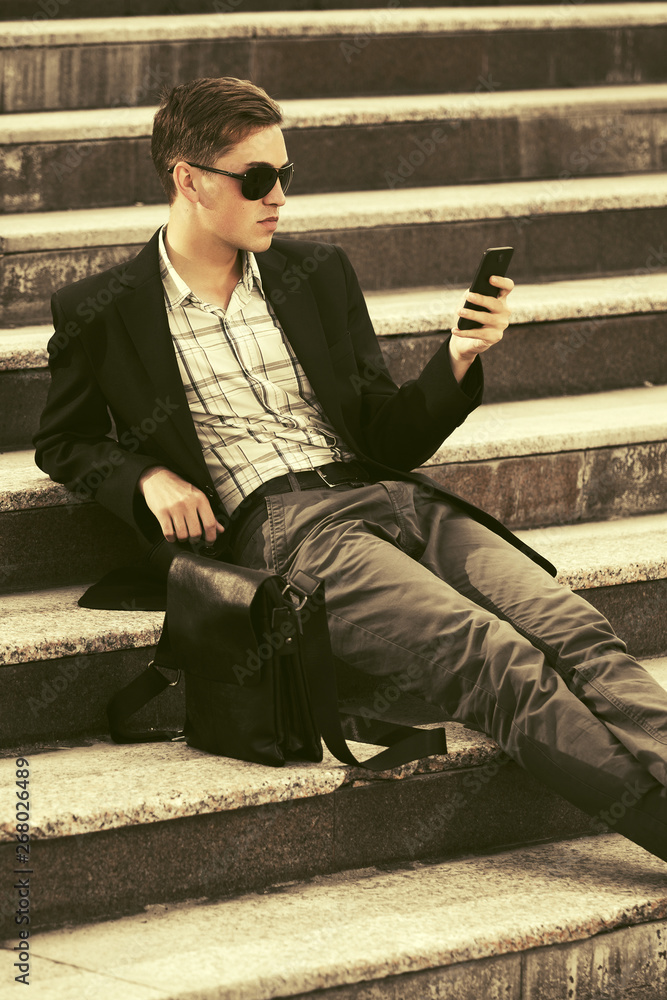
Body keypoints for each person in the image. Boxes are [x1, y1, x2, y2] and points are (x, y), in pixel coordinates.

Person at [34, 77, 667, 863]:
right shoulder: (102, 308)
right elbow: (63, 441)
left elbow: (383, 433)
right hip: (291, 530)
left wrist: (456, 361)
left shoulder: (316, 274)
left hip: (394, 501)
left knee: (575, 630)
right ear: (187, 178)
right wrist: (142, 478)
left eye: (285, 177)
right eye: (256, 179)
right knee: (491, 657)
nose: (278, 199)